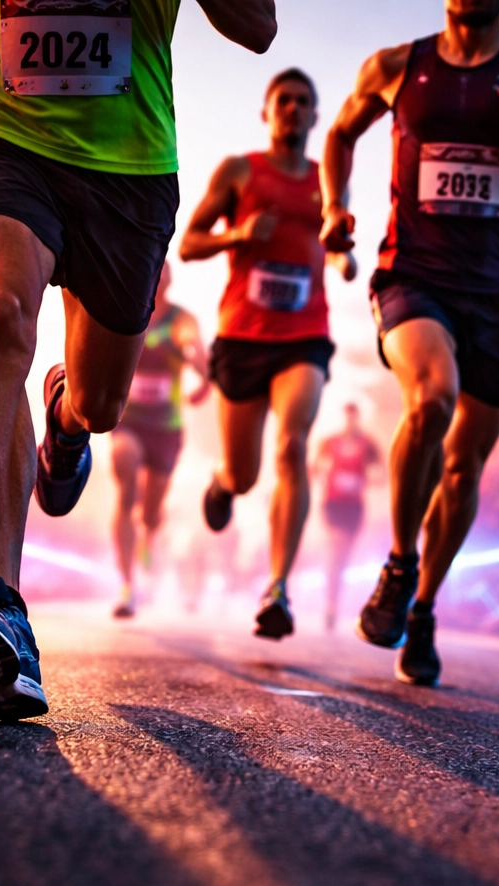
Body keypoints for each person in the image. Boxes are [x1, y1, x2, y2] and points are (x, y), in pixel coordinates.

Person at [0, 0, 275, 719]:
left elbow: (258, 29)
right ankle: (0, 603)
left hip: (126, 167)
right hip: (0, 133)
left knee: (102, 405)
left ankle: (66, 419)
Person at [321, 0, 499, 683]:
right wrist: (334, 205)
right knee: (431, 399)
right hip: (413, 277)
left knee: (462, 468)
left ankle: (422, 608)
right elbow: (340, 134)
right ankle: (398, 561)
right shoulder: (395, 66)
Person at [179, 66, 357, 639]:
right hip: (243, 335)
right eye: (283, 100)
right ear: (267, 111)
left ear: (314, 115)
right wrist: (237, 235)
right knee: (247, 472)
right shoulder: (239, 171)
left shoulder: (327, 180)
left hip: (305, 333)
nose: (293, 109)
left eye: (304, 102)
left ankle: (277, 590)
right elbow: (189, 243)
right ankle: (223, 481)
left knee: (293, 443)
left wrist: (344, 258)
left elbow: (337, 247)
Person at [109, 262, 208, 618]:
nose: (157, 279)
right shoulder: (128, 310)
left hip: (166, 428)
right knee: (125, 471)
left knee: (151, 512)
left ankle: (148, 537)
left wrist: (200, 372)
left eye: (163, 274)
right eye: (153, 272)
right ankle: (127, 585)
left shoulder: (181, 319)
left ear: (169, 282)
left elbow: (196, 349)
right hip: (130, 420)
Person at [314, 401, 381, 631]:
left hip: (354, 507)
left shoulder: (368, 444)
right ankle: (330, 604)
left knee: (343, 559)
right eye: (347, 415)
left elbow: (382, 471)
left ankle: (334, 601)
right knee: (336, 550)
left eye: (353, 416)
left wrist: (369, 480)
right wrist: (321, 475)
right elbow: (314, 467)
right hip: (333, 503)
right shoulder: (329, 442)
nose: (349, 420)